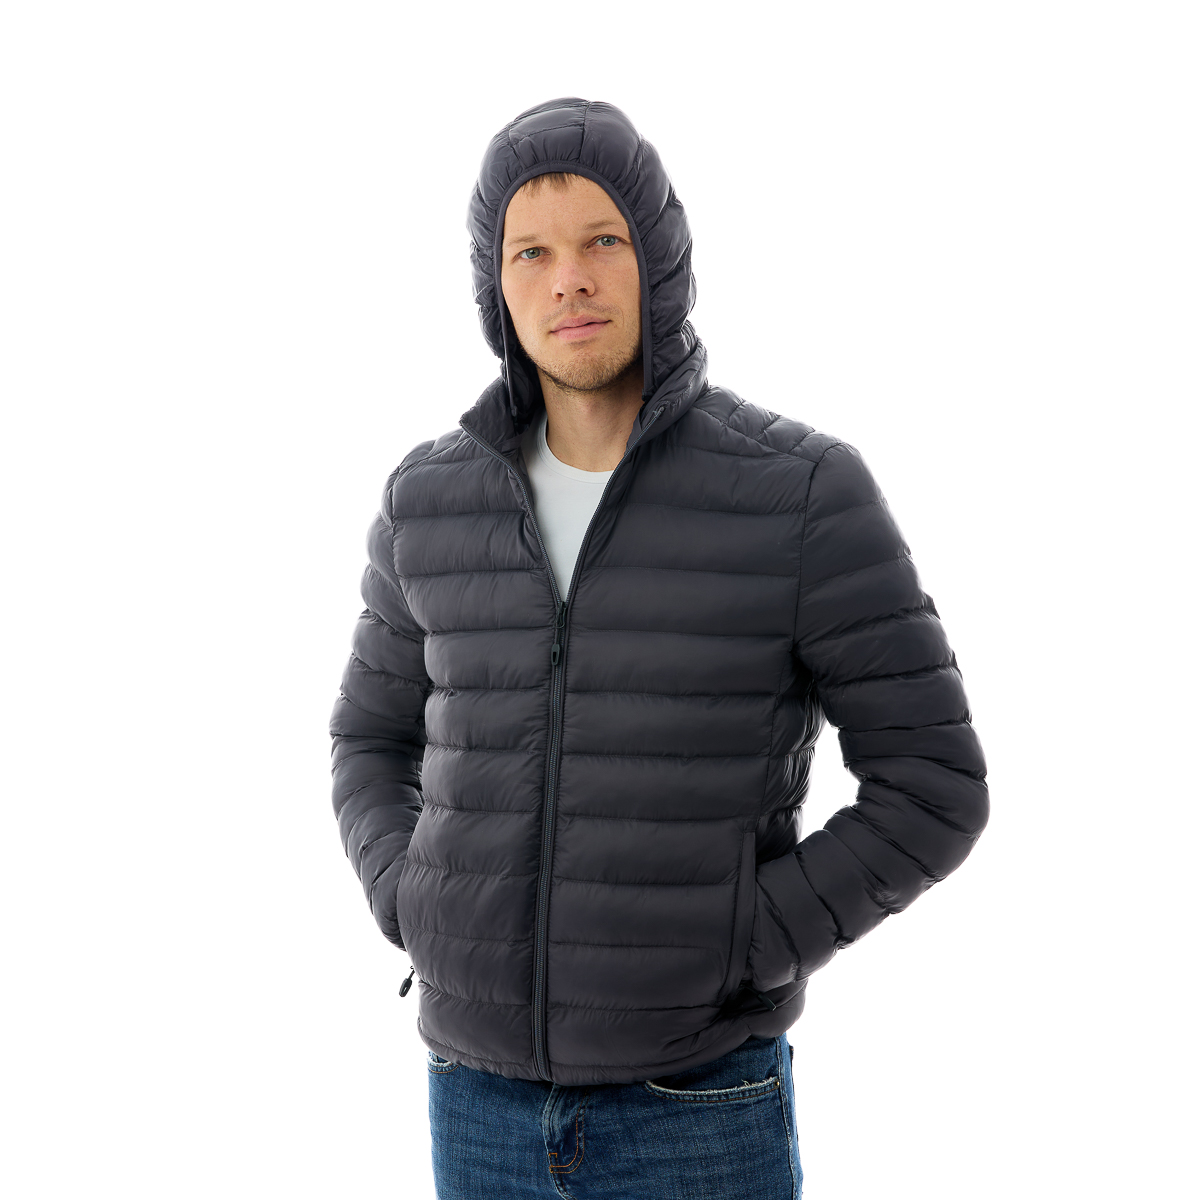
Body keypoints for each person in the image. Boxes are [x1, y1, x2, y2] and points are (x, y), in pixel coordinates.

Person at [330, 97, 989, 1199]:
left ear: (660, 261)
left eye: (602, 241)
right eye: (531, 252)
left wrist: (744, 940)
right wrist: (414, 903)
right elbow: (368, 735)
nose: (568, 281)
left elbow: (934, 784)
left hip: (696, 1109)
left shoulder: (799, 492)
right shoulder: (427, 500)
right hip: (475, 1103)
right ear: (495, 285)